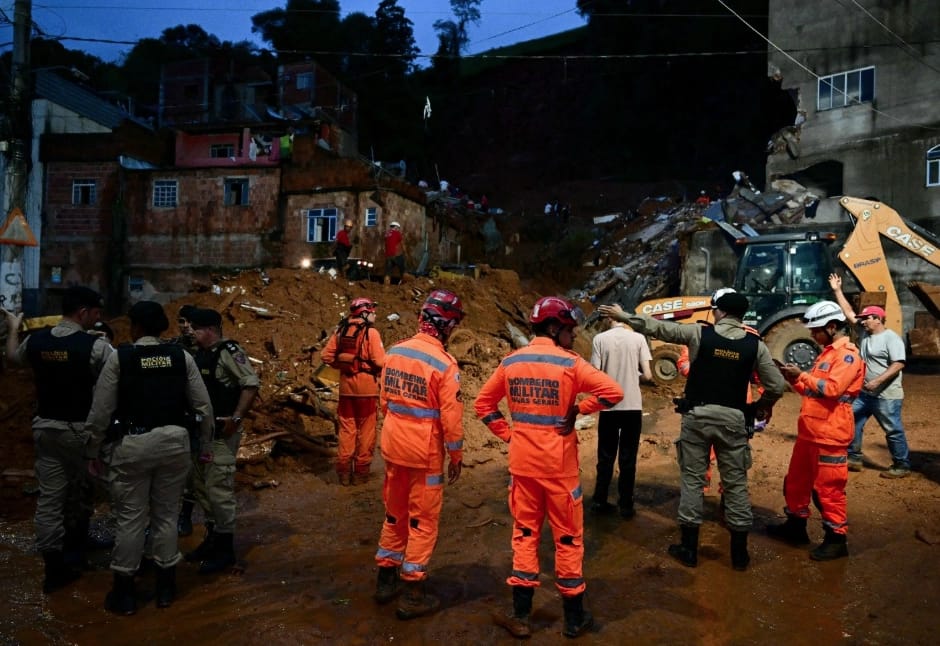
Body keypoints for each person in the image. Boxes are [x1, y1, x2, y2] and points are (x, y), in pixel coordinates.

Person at [599, 292, 784, 572]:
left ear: (719, 312)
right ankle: (739, 555)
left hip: (698, 418)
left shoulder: (700, 334)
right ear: (741, 316)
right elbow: (777, 385)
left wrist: (624, 316)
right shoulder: (754, 345)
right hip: (734, 420)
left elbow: (659, 327)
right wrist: (761, 405)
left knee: (693, 481)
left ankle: (688, 549)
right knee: (735, 484)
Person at [476, 296, 624, 639]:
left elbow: (484, 404)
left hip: (523, 465)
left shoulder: (511, 362)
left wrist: (509, 435)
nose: (572, 337)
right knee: (568, 540)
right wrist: (580, 409)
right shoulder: (570, 364)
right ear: (555, 328)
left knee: (525, 536)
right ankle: (574, 619)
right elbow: (613, 392)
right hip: (559, 468)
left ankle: (521, 615)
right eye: (570, 330)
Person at [83, 301, 214, 614]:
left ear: (136, 327)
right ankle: (166, 588)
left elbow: (100, 411)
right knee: (167, 515)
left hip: (133, 445)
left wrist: (92, 449)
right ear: (162, 328)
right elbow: (203, 407)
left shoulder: (120, 358)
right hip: (174, 443)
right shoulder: (181, 357)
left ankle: (125, 593)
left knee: (130, 518)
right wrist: (205, 445)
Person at [4, 286, 113, 593]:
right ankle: (79, 550)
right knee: (86, 490)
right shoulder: (94, 346)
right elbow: (116, 379)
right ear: (83, 313)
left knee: (50, 500)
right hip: (81, 432)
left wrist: (14, 328)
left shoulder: (37, 340)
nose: (98, 318)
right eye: (96, 313)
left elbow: (12, 357)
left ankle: (55, 569)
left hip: (46, 429)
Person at [373, 289, 465, 621]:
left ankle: (385, 579)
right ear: (445, 326)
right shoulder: (444, 363)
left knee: (394, 514)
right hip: (424, 452)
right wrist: (456, 455)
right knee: (422, 520)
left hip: (394, 446)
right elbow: (451, 419)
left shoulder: (394, 352)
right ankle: (412, 592)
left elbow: (384, 402)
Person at [768, 300, 864, 561]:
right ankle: (795, 527)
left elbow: (832, 389)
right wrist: (795, 379)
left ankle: (836, 539)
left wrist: (802, 375)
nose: (812, 335)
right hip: (810, 432)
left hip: (830, 435)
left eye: (816, 330)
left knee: (829, 490)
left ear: (832, 327)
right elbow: (814, 390)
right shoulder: (827, 353)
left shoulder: (847, 356)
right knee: (796, 483)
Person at [185, 307, 259, 575]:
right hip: (201, 434)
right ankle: (213, 540)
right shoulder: (201, 354)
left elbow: (250, 383)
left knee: (219, 490)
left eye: (195, 328)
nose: (190, 333)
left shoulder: (228, 351)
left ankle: (226, 551)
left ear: (210, 330)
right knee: (202, 489)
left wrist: (236, 418)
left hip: (221, 434)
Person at [829, 273, 911, 478]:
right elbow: (849, 313)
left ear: (877, 319)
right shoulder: (865, 333)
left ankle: (902, 465)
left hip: (886, 395)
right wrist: (837, 290)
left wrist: (877, 381)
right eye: (863, 319)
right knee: (852, 420)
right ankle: (854, 457)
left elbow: (899, 363)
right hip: (865, 393)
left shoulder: (891, 338)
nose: (863, 322)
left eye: (866, 319)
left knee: (892, 430)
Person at [588, 317, 652, 519]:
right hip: (632, 407)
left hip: (608, 406)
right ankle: (625, 504)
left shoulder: (599, 339)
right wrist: (634, 375)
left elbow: (594, 374)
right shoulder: (639, 338)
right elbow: (648, 376)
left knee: (605, 457)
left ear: (608, 320)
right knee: (628, 457)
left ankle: (599, 500)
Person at [320, 297, 386, 485]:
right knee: (366, 432)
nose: (375, 314)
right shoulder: (371, 333)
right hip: (367, 391)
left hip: (346, 391)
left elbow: (325, 356)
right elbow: (380, 362)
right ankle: (360, 473)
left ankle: (343, 473)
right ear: (364, 312)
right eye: (372, 310)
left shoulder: (341, 330)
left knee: (347, 431)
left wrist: (343, 366)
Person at [169, 304, 199, 536]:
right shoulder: (171, 349)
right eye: (182, 321)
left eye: (190, 321)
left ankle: (185, 514)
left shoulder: (211, 349)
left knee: (193, 470)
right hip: (173, 415)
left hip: (198, 418)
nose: (186, 326)